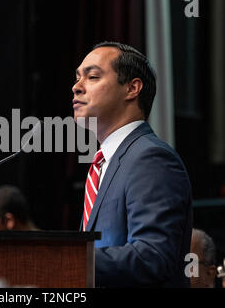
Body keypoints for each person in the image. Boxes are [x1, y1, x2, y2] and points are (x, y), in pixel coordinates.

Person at [72, 41, 193, 287]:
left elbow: (153, 256)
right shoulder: (103, 164)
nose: (76, 87)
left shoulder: (151, 158)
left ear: (132, 88)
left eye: (92, 76)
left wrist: (66, 261)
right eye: (77, 78)